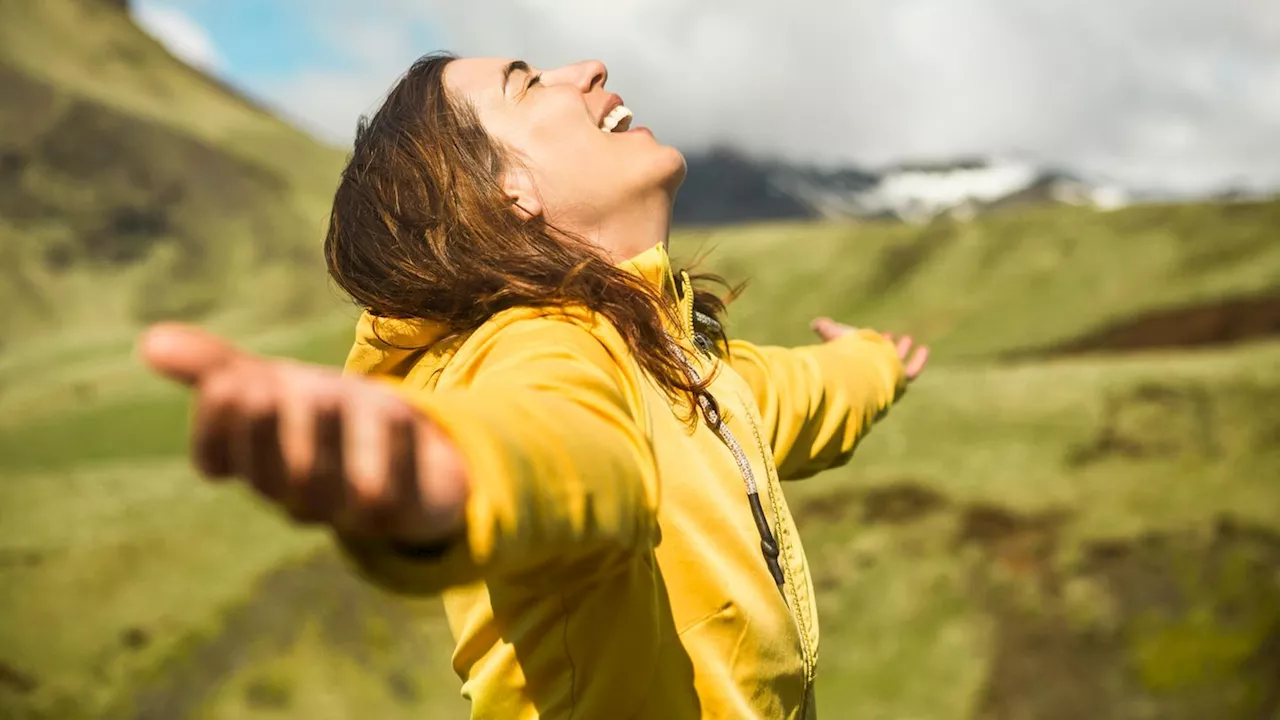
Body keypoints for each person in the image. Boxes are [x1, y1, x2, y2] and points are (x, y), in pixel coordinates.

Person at [140, 52, 928, 719]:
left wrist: (873, 362)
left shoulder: (675, 358)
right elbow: (561, 447)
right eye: (525, 83)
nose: (587, 69)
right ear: (502, 193)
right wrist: (449, 475)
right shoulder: (543, 344)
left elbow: (791, 393)